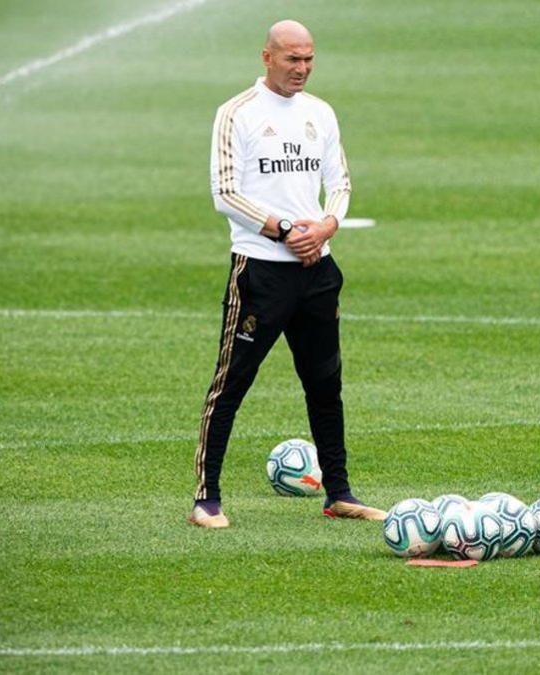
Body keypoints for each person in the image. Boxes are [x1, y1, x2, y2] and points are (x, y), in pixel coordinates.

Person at [189, 20, 385, 528]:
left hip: (318, 272)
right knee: (231, 384)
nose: (302, 69)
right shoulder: (236, 113)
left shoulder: (321, 113)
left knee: (326, 384)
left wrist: (324, 227)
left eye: (309, 59)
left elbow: (340, 184)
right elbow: (225, 192)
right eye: (292, 59)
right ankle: (206, 498)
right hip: (260, 273)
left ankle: (338, 493)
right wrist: (283, 231)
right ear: (267, 57)